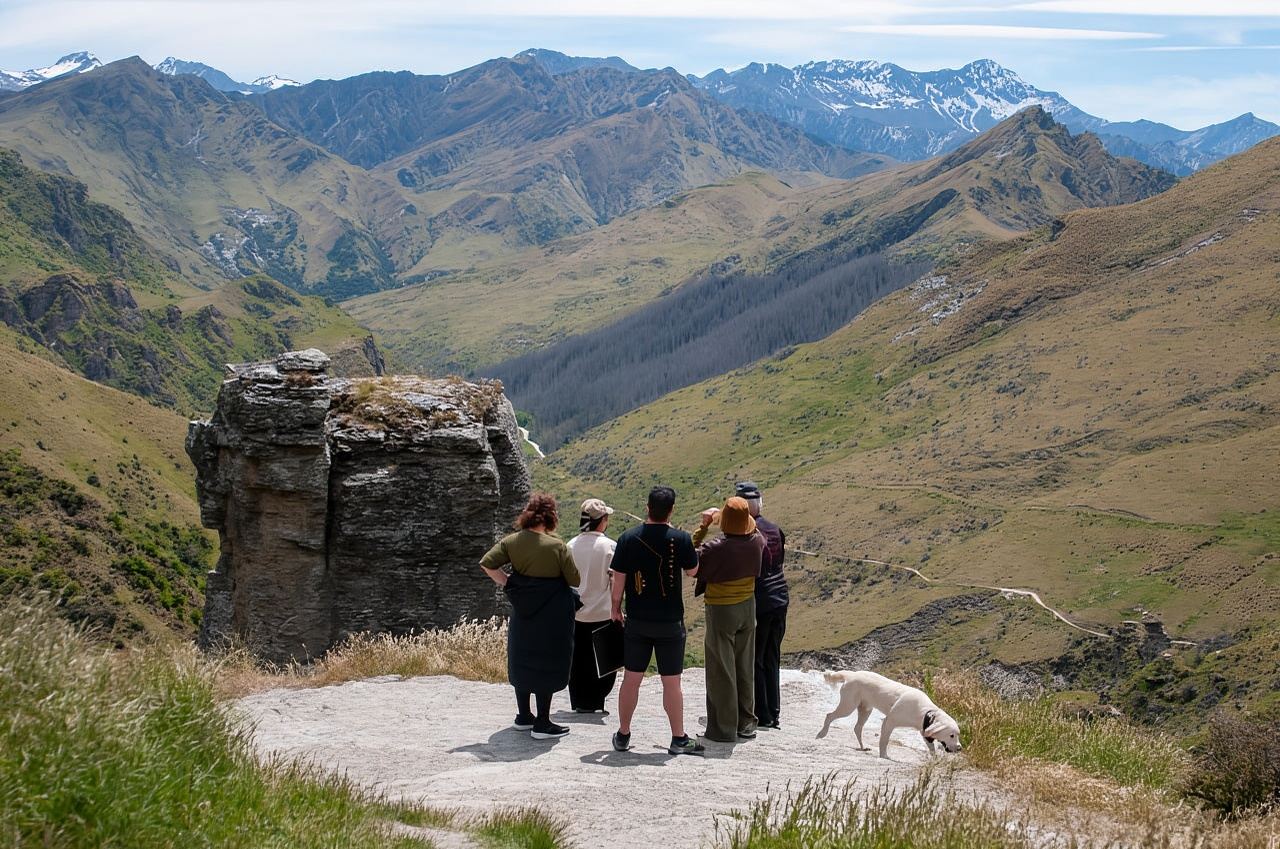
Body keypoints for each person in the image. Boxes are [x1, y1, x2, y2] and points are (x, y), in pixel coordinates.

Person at [609, 486, 704, 755]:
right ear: (671, 510)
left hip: (637, 620)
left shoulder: (627, 539)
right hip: (670, 621)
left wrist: (615, 608)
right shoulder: (681, 538)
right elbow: (693, 571)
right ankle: (678, 738)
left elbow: (619, 580)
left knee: (632, 679)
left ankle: (624, 734)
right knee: (671, 682)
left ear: (647, 508)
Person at [480, 492, 580, 740]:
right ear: (550, 517)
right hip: (552, 615)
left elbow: (487, 563)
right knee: (548, 660)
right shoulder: (557, 546)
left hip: (523, 611)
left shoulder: (512, 541)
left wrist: (509, 584)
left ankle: (524, 716)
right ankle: (543, 723)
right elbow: (575, 579)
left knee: (522, 658)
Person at [693, 496, 765, 743]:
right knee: (744, 666)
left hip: (722, 609)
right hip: (748, 606)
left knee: (721, 669)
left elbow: (691, 564)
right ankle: (747, 723)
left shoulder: (715, 548)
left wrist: (704, 526)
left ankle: (723, 729)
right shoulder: (757, 540)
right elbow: (750, 529)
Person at [737, 481, 788, 730]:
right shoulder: (775, 529)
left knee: (754, 658)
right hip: (780, 598)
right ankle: (775, 712)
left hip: (759, 601)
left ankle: (762, 713)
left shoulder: (746, 533)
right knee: (772, 656)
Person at [566, 498, 618, 713]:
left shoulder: (569, 545)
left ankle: (579, 702)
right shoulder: (610, 547)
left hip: (576, 613)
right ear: (603, 520)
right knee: (603, 662)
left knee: (577, 660)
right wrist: (618, 608)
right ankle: (598, 701)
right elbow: (615, 581)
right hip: (603, 612)